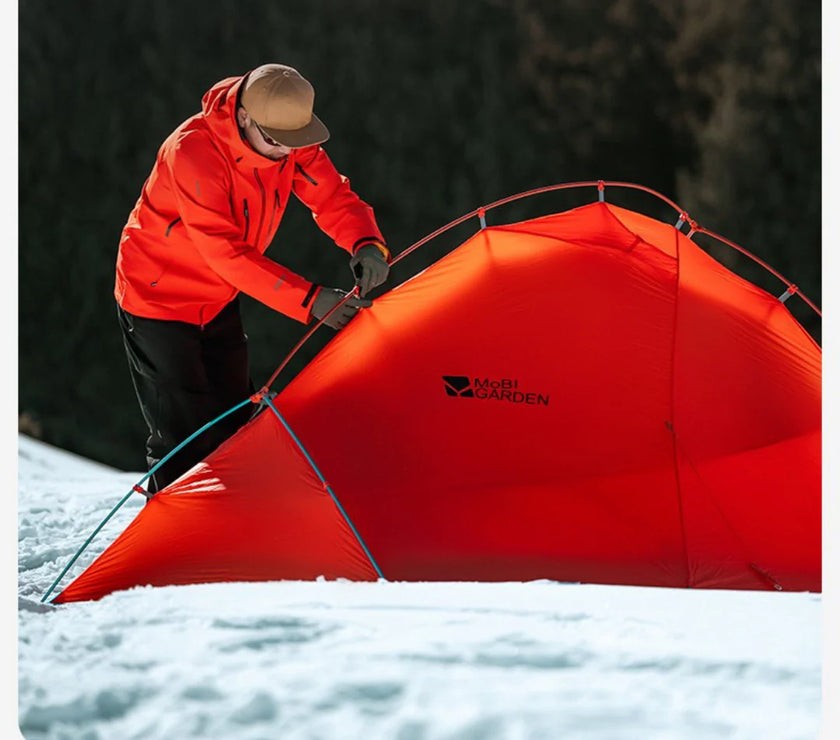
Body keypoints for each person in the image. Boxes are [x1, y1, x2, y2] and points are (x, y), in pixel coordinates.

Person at [114, 63, 390, 493]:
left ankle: (234, 533)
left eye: (294, 143)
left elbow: (330, 194)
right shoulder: (194, 152)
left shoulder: (286, 133)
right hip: (158, 301)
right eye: (276, 142)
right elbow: (225, 253)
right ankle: (173, 545)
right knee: (183, 438)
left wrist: (366, 241)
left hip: (219, 297)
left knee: (236, 421)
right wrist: (310, 300)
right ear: (244, 116)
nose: (286, 153)